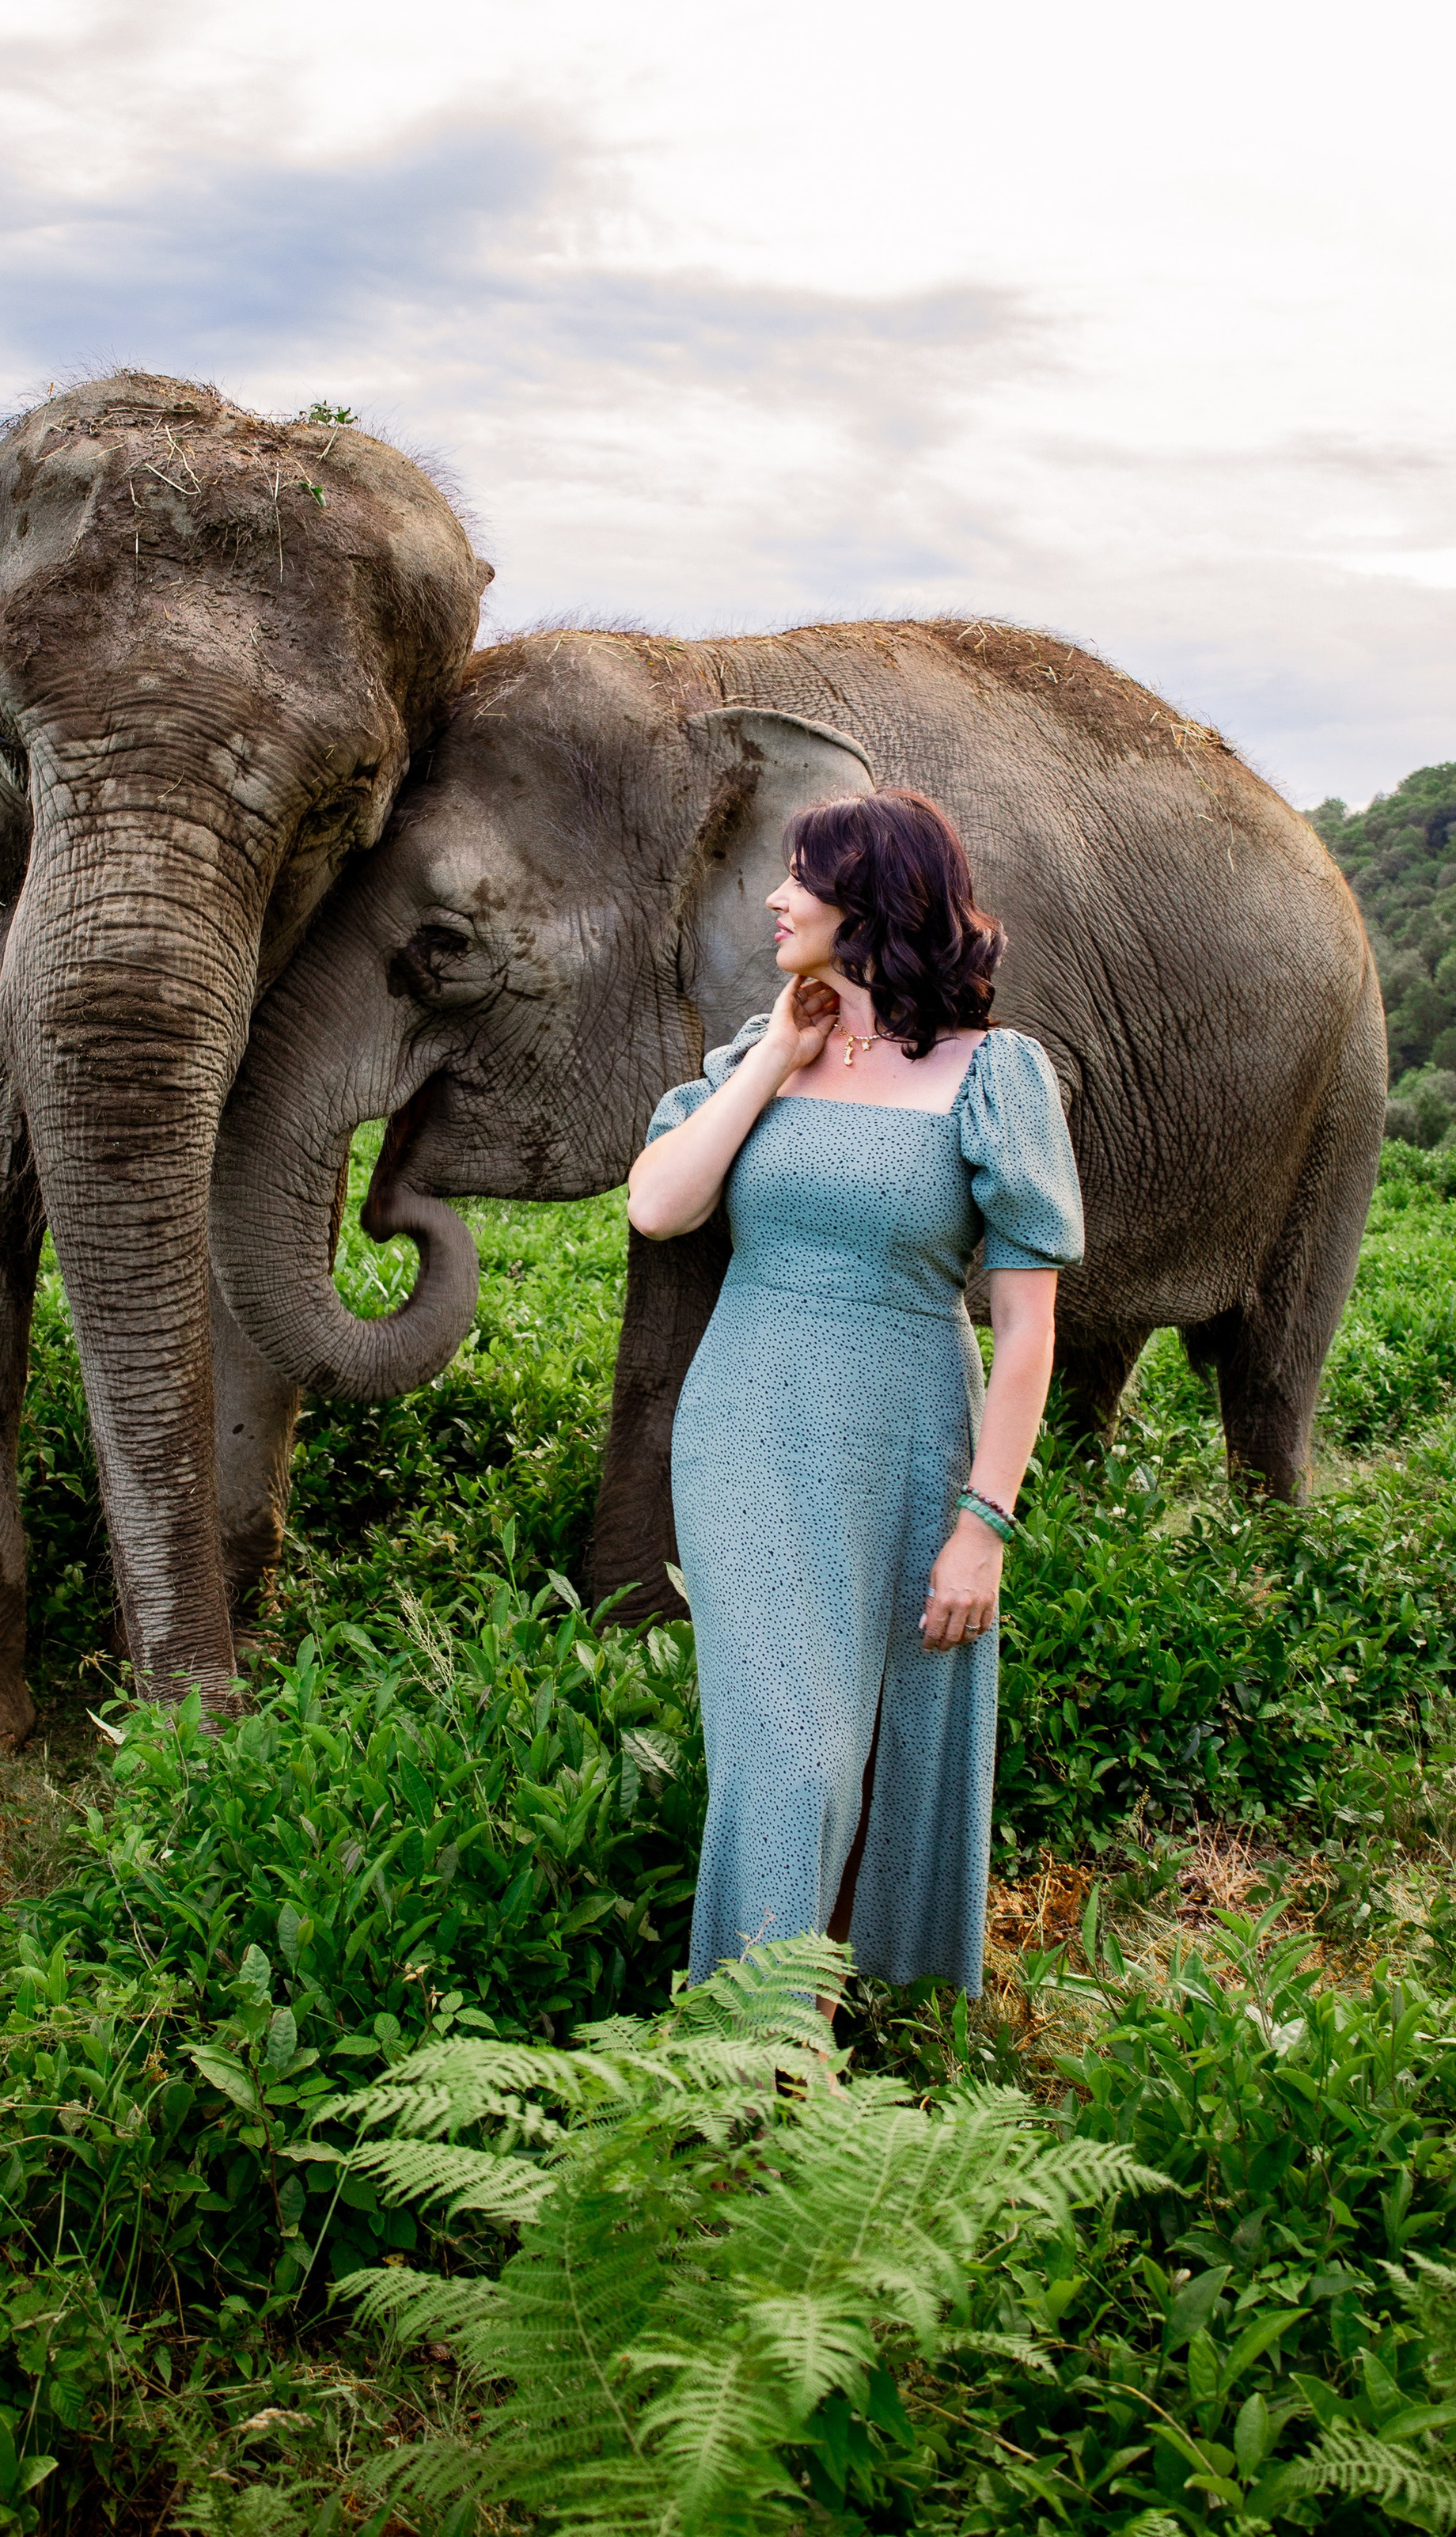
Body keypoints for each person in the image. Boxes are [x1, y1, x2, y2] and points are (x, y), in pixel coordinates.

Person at [626, 787, 1083, 2004]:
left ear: (871, 897)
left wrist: (984, 1525)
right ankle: (748, 2053)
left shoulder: (998, 1074)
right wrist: (779, 1049)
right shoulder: (756, 1056)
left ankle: (850, 2024)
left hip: (913, 1438)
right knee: (794, 1759)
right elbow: (660, 1205)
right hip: (747, 1428)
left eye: (800, 877)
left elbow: (1029, 1328)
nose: (775, 898)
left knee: (883, 1757)